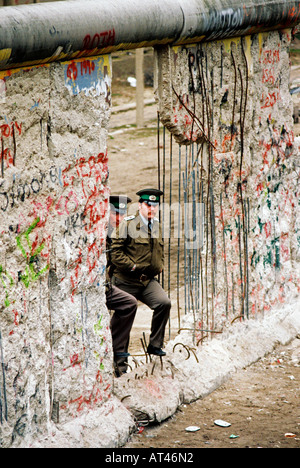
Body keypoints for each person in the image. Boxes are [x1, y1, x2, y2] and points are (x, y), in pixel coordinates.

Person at [110, 188, 171, 357]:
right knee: (125, 319)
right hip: (126, 280)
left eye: (155, 205)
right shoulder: (128, 224)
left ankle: (155, 345)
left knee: (163, 303)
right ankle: (120, 362)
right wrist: (133, 267)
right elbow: (116, 253)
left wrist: (160, 265)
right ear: (140, 206)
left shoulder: (157, 225)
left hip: (146, 282)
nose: (152, 208)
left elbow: (160, 249)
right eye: (148, 205)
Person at [106, 195, 138, 377]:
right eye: (114, 214)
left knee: (128, 305)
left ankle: (119, 361)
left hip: (121, 281)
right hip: (105, 285)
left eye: (122, 214)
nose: (118, 219)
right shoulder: (100, 232)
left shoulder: (129, 231)